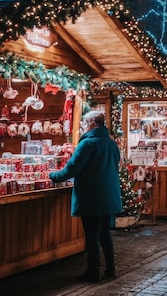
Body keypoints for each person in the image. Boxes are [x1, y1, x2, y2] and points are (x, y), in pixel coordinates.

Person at [49, 111, 123, 282]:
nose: (82, 126)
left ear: (92, 123)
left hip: (92, 196)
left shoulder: (87, 144)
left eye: (84, 123)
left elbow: (71, 169)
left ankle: (93, 271)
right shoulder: (111, 144)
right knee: (104, 233)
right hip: (108, 196)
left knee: (91, 235)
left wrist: (53, 176)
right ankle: (110, 269)